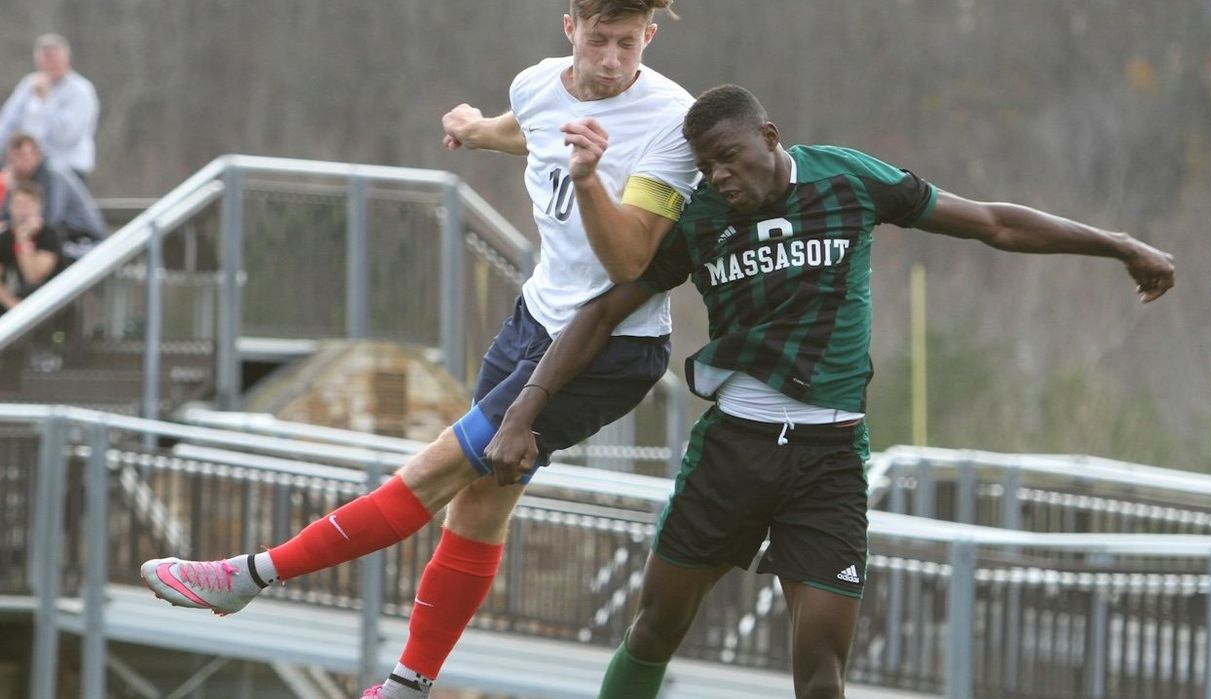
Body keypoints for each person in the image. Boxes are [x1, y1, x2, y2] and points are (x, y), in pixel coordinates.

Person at [482, 84, 1176, 699]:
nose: (719, 175)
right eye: (706, 167)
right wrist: (522, 412)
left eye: (729, 156)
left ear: (769, 136)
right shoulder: (700, 219)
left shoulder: (847, 180)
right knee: (655, 627)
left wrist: (1116, 243)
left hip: (830, 460)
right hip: (733, 449)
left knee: (820, 673)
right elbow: (602, 311)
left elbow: (991, 222)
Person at [140, 2, 698, 698]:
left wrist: (588, 177)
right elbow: (528, 128)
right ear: (569, 29)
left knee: (435, 469)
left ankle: (248, 576)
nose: (611, 60)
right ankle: (406, 687)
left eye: (626, 43)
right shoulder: (536, 84)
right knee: (478, 506)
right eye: (597, 40)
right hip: (533, 322)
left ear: (649, 35)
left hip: (606, 347)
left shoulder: (674, 121)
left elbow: (628, 261)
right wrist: (477, 132)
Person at [0, 33, 98, 181]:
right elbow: (8, 123)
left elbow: (66, 134)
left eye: (54, 60)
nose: (49, 66)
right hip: (27, 169)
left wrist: (44, 101)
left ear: (66, 60)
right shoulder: (28, 85)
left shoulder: (81, 90)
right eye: (44, 61)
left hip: (66, 169)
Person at [2, 133, 107, 266]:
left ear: (37, 156)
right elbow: (7, 216)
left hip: (82, 238)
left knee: (46, 257)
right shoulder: (15, 179)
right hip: (53, 237)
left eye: (24, 157)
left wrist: (18, 229)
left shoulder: (53, 176)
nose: (19, 164)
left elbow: (50, 219)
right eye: (13, 159)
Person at [0, 180, 62, 313]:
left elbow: (32, 276)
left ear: (38, 206)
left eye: (29, 204)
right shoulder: (4, 238)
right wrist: (10, 302)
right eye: (19, 204)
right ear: (9, 207)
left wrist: (22, 240)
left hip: (47, 306)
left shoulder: (49, 236)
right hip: (13, 304)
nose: (24, 211)